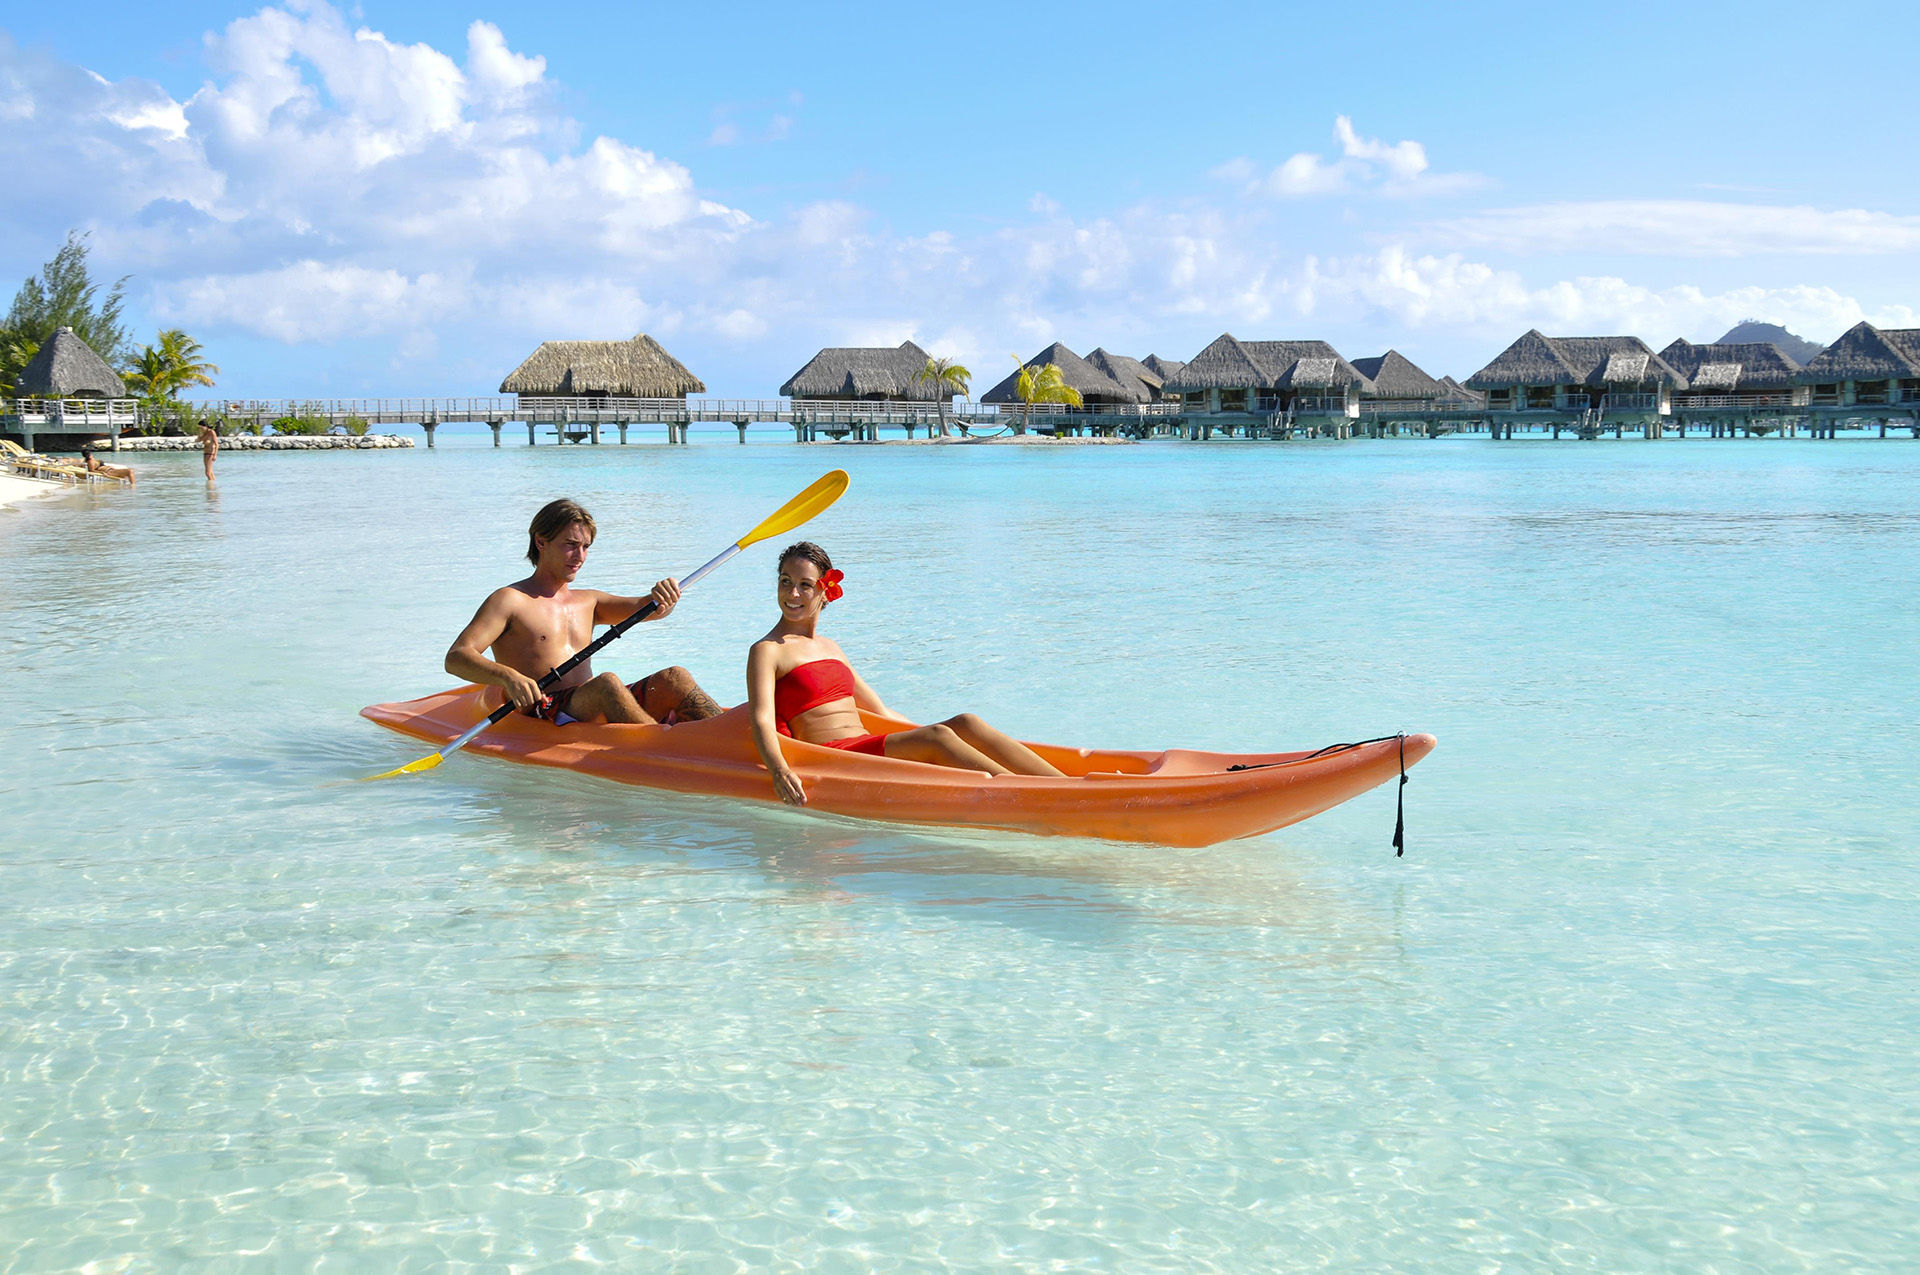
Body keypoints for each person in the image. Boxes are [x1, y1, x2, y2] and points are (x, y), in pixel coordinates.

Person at [746, 541, 1063, 806]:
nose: (794, 594)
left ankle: (1065, 784)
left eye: (805, 585)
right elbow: (761, 719)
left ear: (826, 591)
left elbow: (880, 711)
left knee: (966, 722)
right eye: (785, 581)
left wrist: (926, 735)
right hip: (833, 756)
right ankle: (1030, 797)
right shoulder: (768, 650)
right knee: (937, 737)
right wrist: (779, 770)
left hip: (864, 744)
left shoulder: (831, 647)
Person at [445, 498, 724, 726]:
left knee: (675, 677)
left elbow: (649, 609)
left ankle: (730, 735)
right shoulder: (510, 600)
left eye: (585, 547)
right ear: (541, 542)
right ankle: (662, 747)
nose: (579, 556)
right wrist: (508, 676)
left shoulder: (589, 601)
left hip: (586, 703)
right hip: (543, 708)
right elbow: (457, 657)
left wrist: (664, 596)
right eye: (570, 545)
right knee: (606, 684)